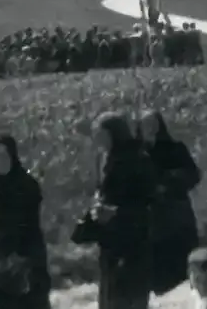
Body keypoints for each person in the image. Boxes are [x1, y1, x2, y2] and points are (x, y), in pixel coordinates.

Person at [70, 114, 156, 309]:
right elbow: (103, 194)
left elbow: (151, 206)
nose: (97, 140)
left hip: (134, 244)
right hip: (110, 243)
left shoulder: (139, 161)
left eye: (101, 135)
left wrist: (116, 213)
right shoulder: (104, 158)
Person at [0, 136, 52, 309]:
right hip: (0, 262)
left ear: (13, 156)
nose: (0, 161)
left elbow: (21, 226)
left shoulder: (26, 185)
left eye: (4, 156)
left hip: (27, 259)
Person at [137, 111, 202, 296]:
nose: (150, 128)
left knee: (181, 259)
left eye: (153, 124)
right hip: (151, 217)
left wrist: (169, 181)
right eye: (146, 124)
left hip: (176, 214)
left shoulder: (175, 148)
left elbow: (193, 174)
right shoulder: (137, 153)